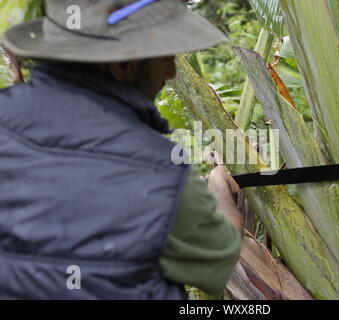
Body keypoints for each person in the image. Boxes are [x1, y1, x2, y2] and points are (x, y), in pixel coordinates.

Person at [0, 0, 243, 299]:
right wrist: (218, 190)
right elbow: (222, 252)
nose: (169, 72)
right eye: (165, 56)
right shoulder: (159, 178)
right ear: (122, 65)